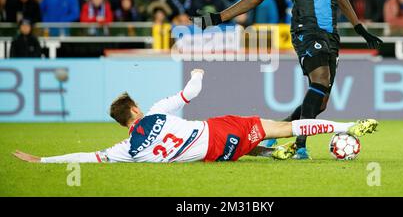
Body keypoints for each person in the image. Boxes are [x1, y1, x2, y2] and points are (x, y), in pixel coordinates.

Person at [194, 0, 382, 160]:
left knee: (321, 102)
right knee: (320, 81)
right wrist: (218, 18)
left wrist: (359, 27)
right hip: (305, 31)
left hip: (330, 34)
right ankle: (300, 146)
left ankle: (272, 133)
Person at [12, 69, 378, 163]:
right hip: (219, 130)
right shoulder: (155, 112)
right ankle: (349, 125)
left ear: (124, 121)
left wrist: (42, 158)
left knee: (243, 146)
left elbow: (87, 158)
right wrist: (198, 73)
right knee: (284, 126)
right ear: (135, 110)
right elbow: (191, 93)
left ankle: (269, 151)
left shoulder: (127, 150)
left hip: (215, 155)